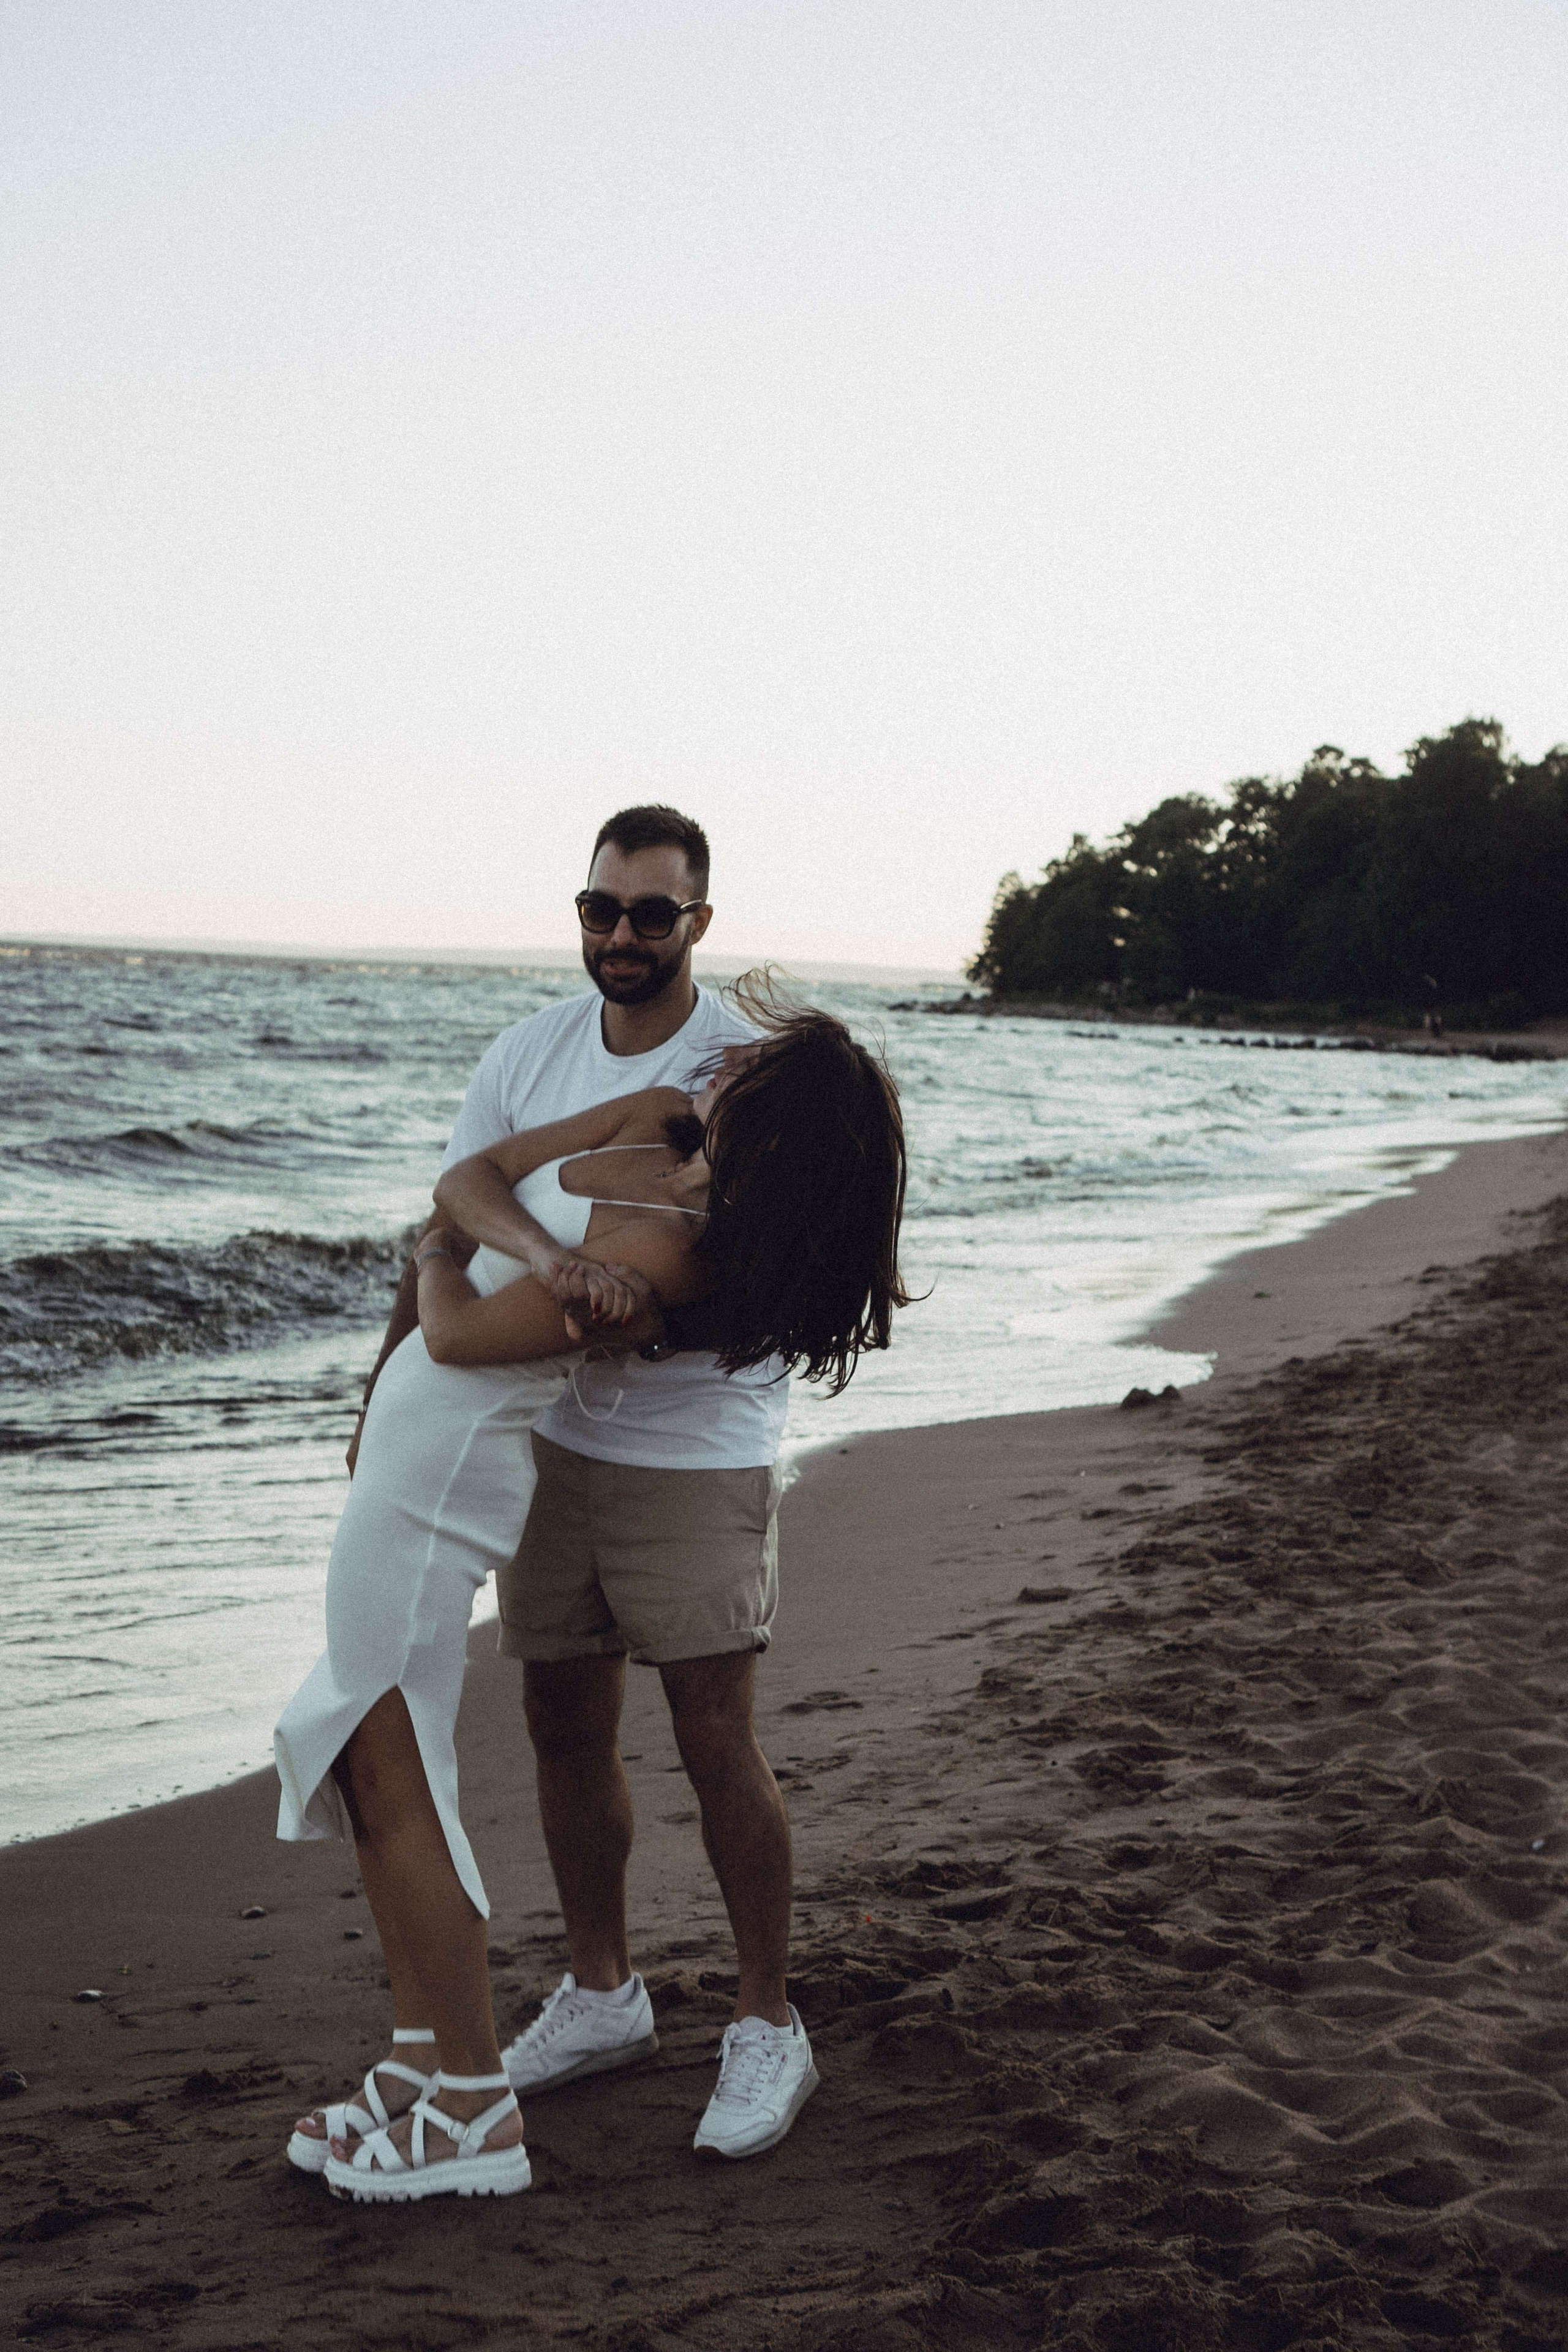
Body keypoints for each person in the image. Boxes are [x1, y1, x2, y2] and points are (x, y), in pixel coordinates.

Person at [274, 805, 909, 2199]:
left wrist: (602, 1304)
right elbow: (447, 1216)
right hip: (542, 1434)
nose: (620, 937)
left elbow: (751, 1268)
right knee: (560, 1718)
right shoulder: (539, 1057)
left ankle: (761, 2020)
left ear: (698, 922)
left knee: (709, 1734)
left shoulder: (736, 1084)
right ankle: (604, 1991)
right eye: (601, 910)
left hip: (692, 1453)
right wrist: (380, 1393)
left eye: (650, 915)